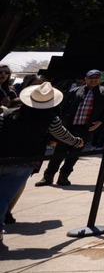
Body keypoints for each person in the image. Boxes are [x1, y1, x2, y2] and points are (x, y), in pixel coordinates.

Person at [0, 82, 85, 251]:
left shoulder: (8, 114)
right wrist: (77, 142)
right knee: (3, 197)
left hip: (2, 157)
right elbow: (63, 136)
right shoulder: (50, 120)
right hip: (24, 162)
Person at [37, 69, 104, 186]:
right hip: (69, 127)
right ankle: (48, 176)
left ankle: (64, 176)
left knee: (74, 154)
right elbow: (63, 108)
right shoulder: (75, 91)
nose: (93, 80)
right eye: (91, 78)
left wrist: (100, 121)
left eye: (96, 78)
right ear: (86, 79)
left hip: (87, 128)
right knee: (59, 152)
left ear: (100, 79)